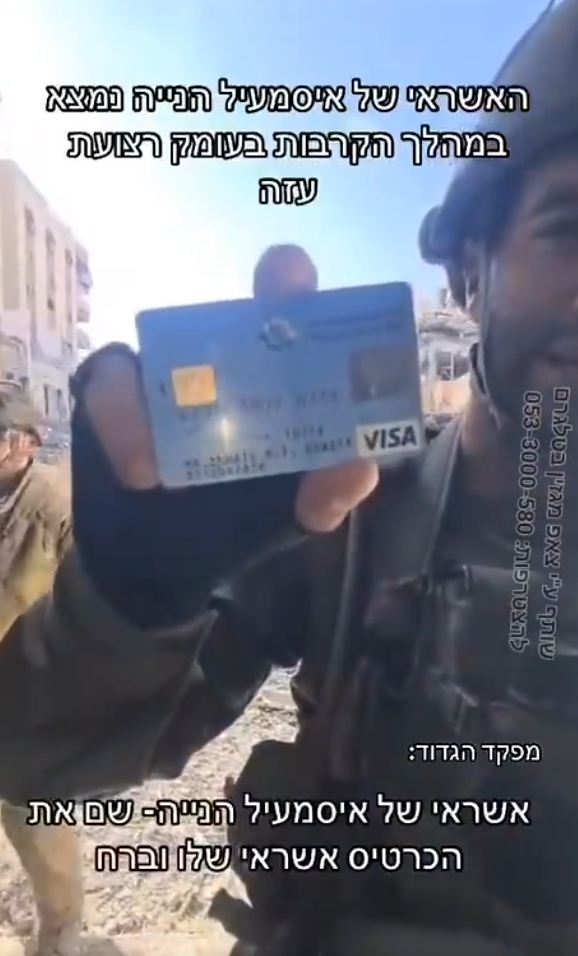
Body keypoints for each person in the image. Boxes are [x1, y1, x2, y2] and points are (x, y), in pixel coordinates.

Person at [0, 0, 577, 952]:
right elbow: (37, 758)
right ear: (470, 271)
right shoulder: (347, 519)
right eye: (571, 226)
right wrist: (125, 607)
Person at [0, 382, 83, 956]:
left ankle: (59, 938)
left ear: (25, 442)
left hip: (30, 692)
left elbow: (91, 596)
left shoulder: (56, 505)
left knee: (41, 828)